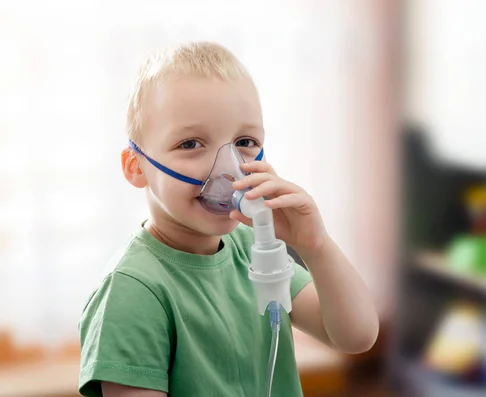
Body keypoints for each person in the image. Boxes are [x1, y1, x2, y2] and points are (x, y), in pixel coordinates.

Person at [78, 41, 379, 397]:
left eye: (245, 141)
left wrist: (315, 245)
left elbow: (356, 335)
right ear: (136, 166)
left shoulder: (254, 247)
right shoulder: (133, 290)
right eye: (190, 144)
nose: (227, 168)